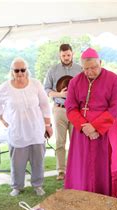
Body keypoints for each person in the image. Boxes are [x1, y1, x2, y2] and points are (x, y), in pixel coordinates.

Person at [64, 48, 117, 200]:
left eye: (94, 67)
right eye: (86, 69)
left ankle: (105, 199)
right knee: (83, 168)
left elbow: (114, 108)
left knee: (103, 169)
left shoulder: (114, 80)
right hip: (82, 134)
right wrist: (85, 127)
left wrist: (96, 127)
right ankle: (81, 200)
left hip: (105, 132)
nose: (90, 72)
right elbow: (70, 107)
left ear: (100, 63)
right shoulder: (74, 82)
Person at [0, 58, 52, 197]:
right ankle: (17, 186)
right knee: (17, 163)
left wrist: (47, 125)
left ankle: (38, 185)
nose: (20, 73)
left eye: (22, 70)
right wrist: (1, 118)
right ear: (12, 71)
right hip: (17, 131)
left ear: (27, 70)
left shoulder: (36, 84)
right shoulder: (6, 87)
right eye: (16, 70)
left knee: (38, 161)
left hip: (36, 129)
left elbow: (44, 105)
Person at [43, 44, 83, 180]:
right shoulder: (53, 70)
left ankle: (75, 169)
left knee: (75, 142)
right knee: (60, 142)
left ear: (72, 54)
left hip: (76, 110)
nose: (66, 57)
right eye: (64, 55)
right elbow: (46, 90)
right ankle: (61, 171)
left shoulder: (80, 69)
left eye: (68, 55)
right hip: (59, 109)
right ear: (60, 55)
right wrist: (59, 93)